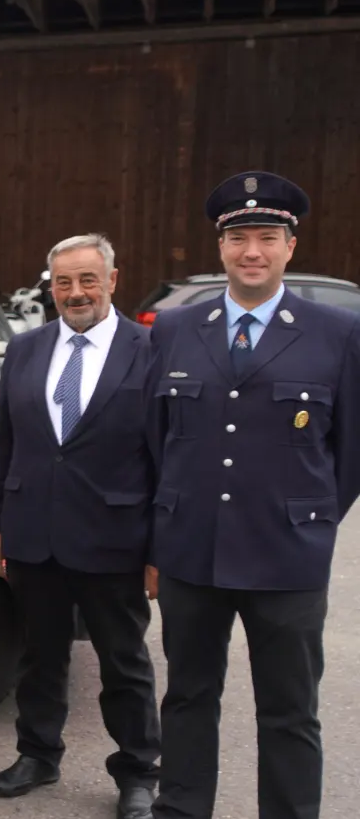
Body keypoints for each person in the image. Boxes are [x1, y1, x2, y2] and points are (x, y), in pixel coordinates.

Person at [148, 173, 360, 819]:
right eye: (240, 238)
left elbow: (347, 454)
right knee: (187, 697)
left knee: (290, 711)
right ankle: (182, 810)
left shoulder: (338, 333)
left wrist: (308, 520)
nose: (252, 252)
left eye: (267, 237)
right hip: (192, 556)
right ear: (220, 247)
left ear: (290, 246)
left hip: (287, 560)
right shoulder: (176, 330)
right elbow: (158, 442)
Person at [0, 234, 159, 819]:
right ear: (49, 286)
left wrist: (159, 547)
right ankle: (37, 754)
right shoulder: (27, 349)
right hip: (35, 533)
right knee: (40, 656)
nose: (75, 292)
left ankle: (138, 771)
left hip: (114, 539)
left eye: (87, 280)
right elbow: (5, 442)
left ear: (113, 279)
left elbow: (165, 456)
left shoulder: (149, 350)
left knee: (123, 662)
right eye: (63, 282)